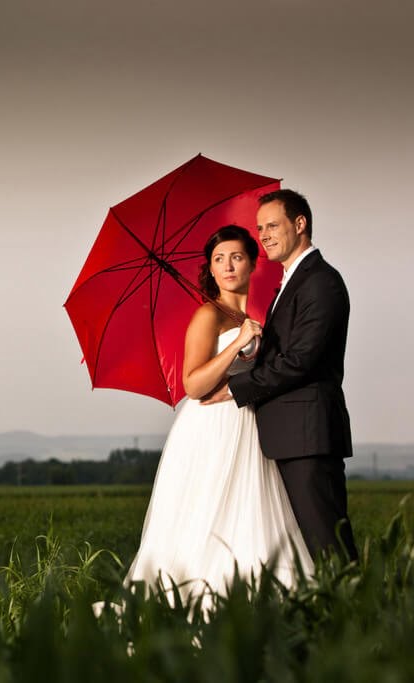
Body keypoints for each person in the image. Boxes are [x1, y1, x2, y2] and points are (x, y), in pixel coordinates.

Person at [122, 225, 313, 607]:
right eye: (218, 259)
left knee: (249, 511)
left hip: (249, 425)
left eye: (237, 257)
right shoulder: (207, 316)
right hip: (210, 425)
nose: (228, 266)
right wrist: (237, 345)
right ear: (209, 269)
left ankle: (258, 598)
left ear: (253, 264)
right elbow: (193, 385)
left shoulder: (255, 315)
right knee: (205, 510)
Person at [208, 190, 358, 562]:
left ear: (300, 224)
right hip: (287, 436)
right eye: (260, 228)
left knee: (329, 546)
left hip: (308, 436)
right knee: (309, 552)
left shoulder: (321, 281)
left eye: (273, 225)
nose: (265, 235)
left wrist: (235, 386)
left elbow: (301, 360)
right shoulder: (290, 281)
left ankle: (358, 618)